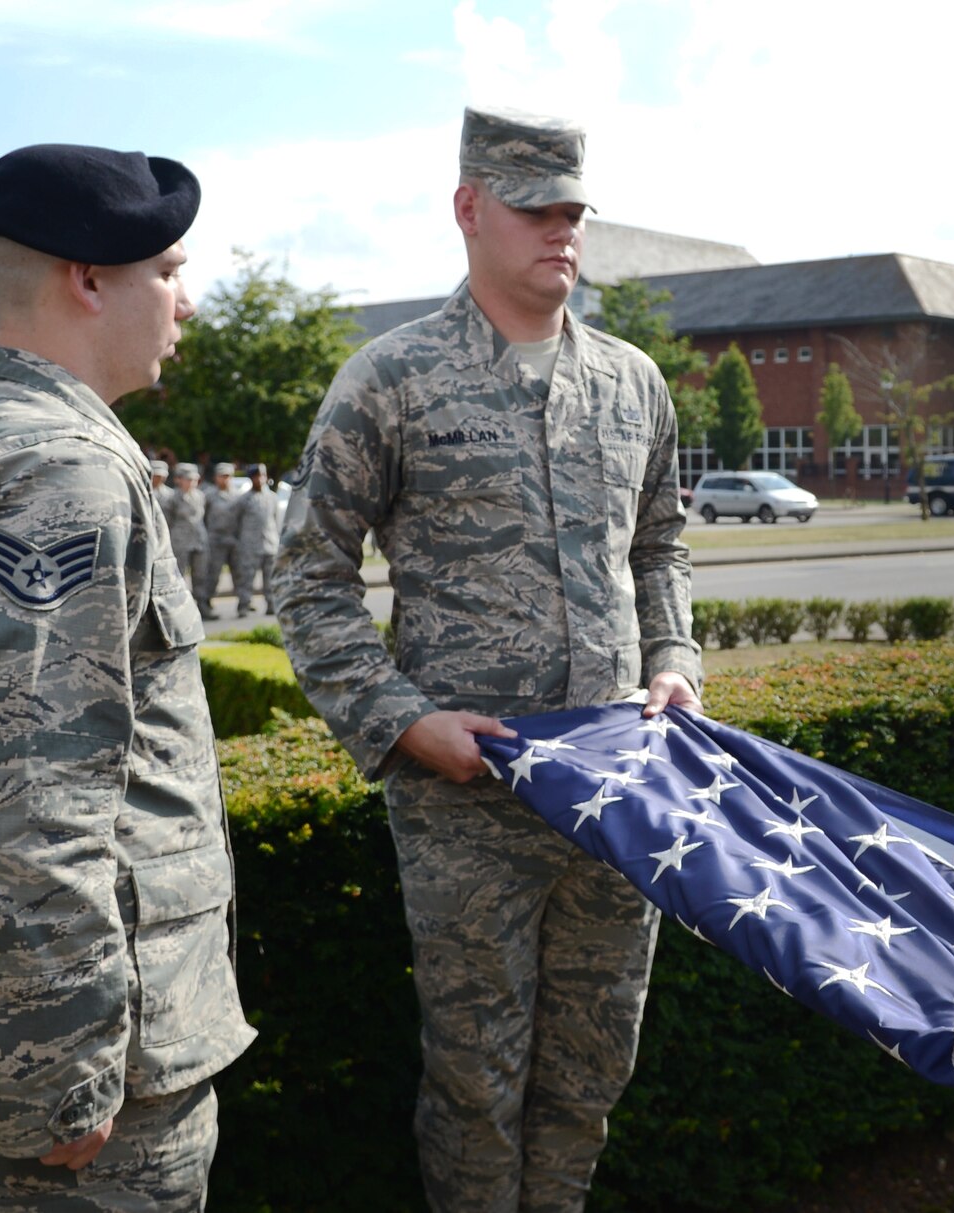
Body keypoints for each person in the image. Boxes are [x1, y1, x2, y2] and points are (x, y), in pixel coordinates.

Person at [273, 106, 702, 1213]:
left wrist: (674, 656)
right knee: (476, 1083)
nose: (559, 232)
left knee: (590, 1073)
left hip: (616, 795)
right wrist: (402, 719)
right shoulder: (390, 379)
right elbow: (308, 580)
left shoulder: (630, 382)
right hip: (468, 807)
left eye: (572, 213)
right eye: (533, 210)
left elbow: (658, 546)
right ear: (469, 209)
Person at [0, 142, 254, 1212]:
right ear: (88, 278)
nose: (186, 300)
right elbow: (11, 804)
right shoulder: (54, 467)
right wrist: (61, 1076)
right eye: (168, 271)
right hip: (81, 1082)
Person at [233, 462, 278, 615]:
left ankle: (272, 604)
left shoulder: (272, 497)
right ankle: (244, 605)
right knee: (247, 578)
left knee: (271, 578)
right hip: (250, 545)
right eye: (256, 476)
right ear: (251, 478)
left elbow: (276, 519)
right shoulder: (244, 499)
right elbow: (236, 521)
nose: (260, 479)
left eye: (262, 476)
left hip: (270, 543)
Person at [200, 460, 241, 617]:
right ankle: (206, 602)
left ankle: (243, 602)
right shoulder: (209, 495)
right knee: (213, 573)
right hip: (215, 539)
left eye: (228, 476)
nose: (225, 479)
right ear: (216, 477)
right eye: (222, 476)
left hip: (233, 538)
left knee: (239, 572)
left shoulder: (237, 496)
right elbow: (202, 517)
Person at [166, 461, 209, 608]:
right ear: (179, 479)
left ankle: (202, 604)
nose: (192, 483)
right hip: (180, 541)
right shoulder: (172, 498)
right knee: (179, 575)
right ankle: (179, 606)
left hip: (199, 540)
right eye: (188, 479)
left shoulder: (201, 496)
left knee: (200, 575)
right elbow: (167, 522)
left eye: (195, 480)